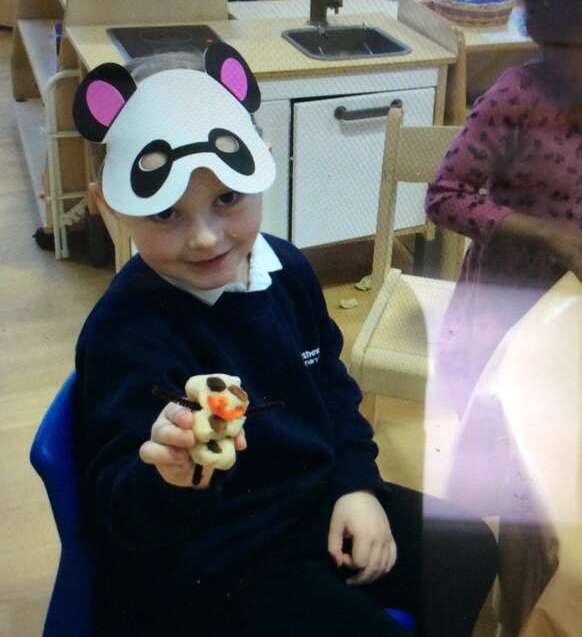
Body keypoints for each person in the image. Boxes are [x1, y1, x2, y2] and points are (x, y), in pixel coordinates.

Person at [72, 44, 497, 637]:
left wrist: (356, 485)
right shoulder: (124, 334)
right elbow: (118, 513)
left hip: (310, 506)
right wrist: (168, 476)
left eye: (226, 198)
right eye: (166, 213)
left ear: (261, 165)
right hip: (216, 565)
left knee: (468, 548)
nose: (204, 237)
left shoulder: (288, 271)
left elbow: (332, 388)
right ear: (111, 207)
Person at [425, 0, 582, 420]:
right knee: (498, 419)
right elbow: (443, 196)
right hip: (506, 302)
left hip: (570, 305)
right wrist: (550, 234)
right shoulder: (518, 97)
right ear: (544, 32)